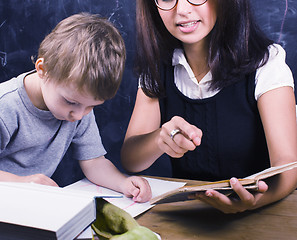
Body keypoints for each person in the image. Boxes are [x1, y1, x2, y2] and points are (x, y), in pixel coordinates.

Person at [121, 0, 297, 212]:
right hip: (188, 216)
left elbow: (288, 165)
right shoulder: (158, 68)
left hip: (260, 213)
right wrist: (159, 139)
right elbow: (131, 159)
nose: (183, 10)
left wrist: (254, 201)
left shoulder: (267, 62)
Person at [0, 13, 151, 203]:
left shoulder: (80, 104)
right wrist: (22, 183)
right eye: (70, 102)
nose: (79, 115)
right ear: (42, 70)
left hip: (33, 205)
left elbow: (94, 162)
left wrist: (124, 183)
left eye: (91, 107)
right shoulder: (6, 106)